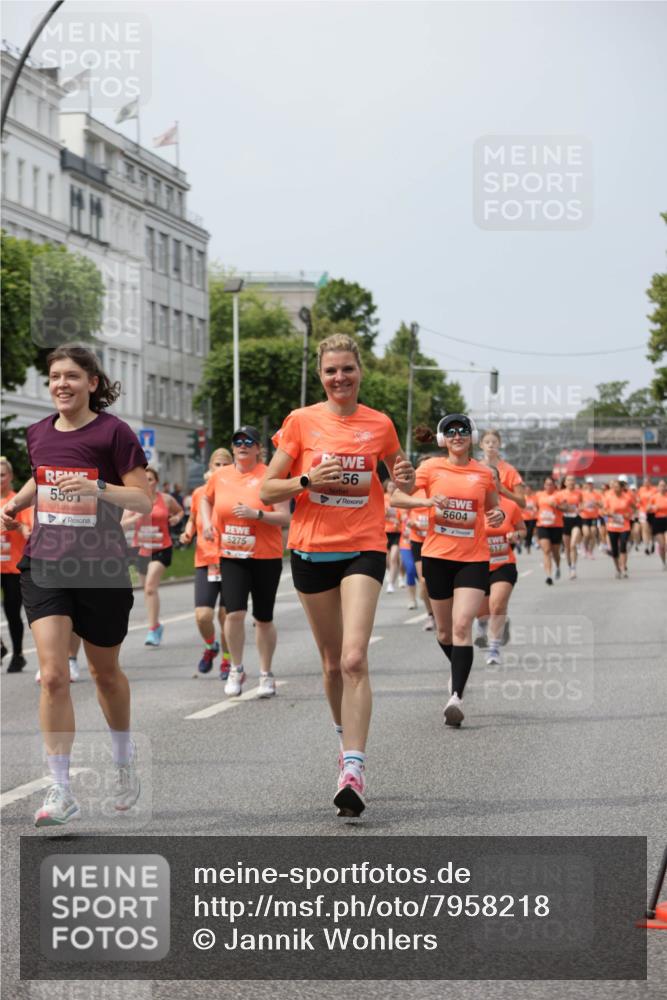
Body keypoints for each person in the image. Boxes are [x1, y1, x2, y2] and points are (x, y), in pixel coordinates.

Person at [260, 333, 416, 817]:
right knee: (329, 664)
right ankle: (343, 738)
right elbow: (267, 489)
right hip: (310, 550)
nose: (339, 377)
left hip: (364, 547)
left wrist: (404, 479)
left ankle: (354, 766)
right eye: (331, 370)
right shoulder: (302, 422)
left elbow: (397, 479)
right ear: (321, 375)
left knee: (353, 659)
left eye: (347, 368)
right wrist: (307, 481)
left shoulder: (380, 424)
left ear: (359, 371)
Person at [0, 344, 151, 827]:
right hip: (46, 564)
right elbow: (41, 478)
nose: (60, 384)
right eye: (53, 377)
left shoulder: (114, 432)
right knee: (53, 674)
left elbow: (143, 500)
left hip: (101, 570)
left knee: (105, 673)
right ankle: (60, 789)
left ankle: (124, 764)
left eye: (70, 376)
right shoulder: (38, 432)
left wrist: (99, 489)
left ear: (91, 382)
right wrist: (13, 503)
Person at [392, 414, 503, 729]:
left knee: (462, 625)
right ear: (443, 439)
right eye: (451, 432)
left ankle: (456, 697)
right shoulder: (429, 468)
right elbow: (397, 497)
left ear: (471, 436)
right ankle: (459, 668)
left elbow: (493, 508)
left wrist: (495, 517)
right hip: (437, 557)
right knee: (443, 632)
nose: (457, 436)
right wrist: (427, 501)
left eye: (463, 431)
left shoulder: (483, 474)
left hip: (473, 558)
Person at [201, 426, 291, 699]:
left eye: (248, 442)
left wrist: (257, 514)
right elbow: (205, 498)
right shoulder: (221, 476)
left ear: (258, 449)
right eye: (237, 441)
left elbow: (285, 518)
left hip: (265, 555)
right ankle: (236, 669)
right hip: (232, 555)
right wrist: (206, 523)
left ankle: (266, 674)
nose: (242, 446)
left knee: (263, 619)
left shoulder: (272, 476)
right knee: (234, 613)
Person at [179, 448, 233, 677]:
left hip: (232, 560)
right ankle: (211, 646)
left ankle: (228, 660)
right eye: (216, 464)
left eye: (225, 464)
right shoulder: (200, 493)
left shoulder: (235, 491)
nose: (220, 469)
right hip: (205, 559)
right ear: (209, 468)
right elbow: (193, 518)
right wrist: (187, 533)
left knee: (226, 617)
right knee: (202, 616)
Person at [121, 467, 183, 647]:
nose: (147, 482)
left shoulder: (166, 499)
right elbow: (121, 525)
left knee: (149, 588)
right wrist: (134, 519)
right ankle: (156, 624)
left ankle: (152, 629)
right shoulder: (135, 502)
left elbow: (179, 511)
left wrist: (176, 519)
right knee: (147, 590)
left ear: (156, 481)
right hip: (141, 550)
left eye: (150, 479)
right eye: (144, 479)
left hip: (162, 548)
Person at [477, 467, 526, 665]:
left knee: (497, 605)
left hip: (503, 563)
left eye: (493, 478)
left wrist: (516, 536)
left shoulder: (510, 506)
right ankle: (482, 624)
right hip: (477, 565)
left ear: (498, 482)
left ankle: (494, 648)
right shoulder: (474, 506)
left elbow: (522, 529)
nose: (490, 482)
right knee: (481, 612)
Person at [1, 456, 33, 673]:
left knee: (12, 613)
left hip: (13, 566)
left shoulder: (18, 501)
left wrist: (18, 526)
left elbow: (29, 531)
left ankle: (18, 654)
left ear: (10, 476)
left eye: (2, 474)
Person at [406, 484, 435, 630]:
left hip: (436, 540)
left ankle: (445, 612)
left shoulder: (438, 489)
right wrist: (410, 523)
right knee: (423, 581)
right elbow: (404, 512)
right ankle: (431, 615)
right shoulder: (413, 491)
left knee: (441, 579)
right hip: (418, 540)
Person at [479, 430, 526, 508]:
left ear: (499, 444)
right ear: (481, 445)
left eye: (494, 442)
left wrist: (504, 490)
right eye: (487, 442)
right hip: (482, 517)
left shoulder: (510, 470)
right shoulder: (475, 469)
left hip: (505, 516)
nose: (491, 445)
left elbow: (522, 503)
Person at [534, 476, 567, 585]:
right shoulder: (539, 495)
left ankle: (557, 566)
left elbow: (566, 508)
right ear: (544, 485)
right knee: (546, 550)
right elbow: (535, 508)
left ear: (554, 485)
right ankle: (548, 575)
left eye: (550, 484)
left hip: (556, 526)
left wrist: (557, 506)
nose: (548, 486)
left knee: (555, 551)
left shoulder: (559, 495)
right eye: (546, 484)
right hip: (542, 526)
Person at [603, 476, 636, 578]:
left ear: (622, 488)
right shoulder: (609, 497)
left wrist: (630, 514)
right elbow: (603, 511)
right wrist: (609, 514)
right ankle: (617, 568)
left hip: (624, 525)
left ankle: (623, 567)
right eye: (614, 487)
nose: (615, 488)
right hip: (612, 526)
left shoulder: (627, 497)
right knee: (614, 550)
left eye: (617, 487)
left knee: (623, 546)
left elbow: (634, 508)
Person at [559, 474, 583, 579]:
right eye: (569, 480)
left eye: (573, 480)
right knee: (567, 547)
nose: (571, 482)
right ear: (565, 483)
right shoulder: (560, 494)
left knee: (573, 545)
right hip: (565, 520)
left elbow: (582, 504)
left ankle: (574, 567)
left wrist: (579, 509)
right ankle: (570, 566)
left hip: (576, 520)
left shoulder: (579, 493)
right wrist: (564, 507)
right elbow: (557, 506)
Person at [383, 479, 401, 593]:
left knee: (394, 557)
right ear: (386, 487)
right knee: (387, 558)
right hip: (385, 531)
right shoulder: (383, 497)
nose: (392, 489)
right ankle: (389, 572)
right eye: (390, 486)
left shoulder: (399, 498)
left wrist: (398, 518)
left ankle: (391, 583)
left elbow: (403, 512)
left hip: (397, 531)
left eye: (394, 487)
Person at [398, 510, 418, 609]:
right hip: (406, 545)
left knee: (423, 577)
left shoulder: (422, 507)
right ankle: (412, 599)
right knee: (410, 569)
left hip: (422, 545)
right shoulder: (401, 509)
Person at [580, 477, 602, 557]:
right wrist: (583, 507)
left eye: (591, 483)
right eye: (588, 483)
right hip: (585, 516)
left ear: (593, 485)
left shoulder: (597, 494)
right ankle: (583, 546)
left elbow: (601, 505)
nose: (590, 485)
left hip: (593, 516)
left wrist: (596, 503)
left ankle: (590, 551)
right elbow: (579, 505)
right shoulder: (582, 494)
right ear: (586, 484)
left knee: (593, 533)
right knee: (586, 534)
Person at [648, 479, 667, 569]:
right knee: (662, 545)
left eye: (664, 485)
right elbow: (647, 509)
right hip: (658, 521)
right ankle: (663, 562)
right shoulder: (654, 497)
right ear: (658, 487)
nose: (662, 487)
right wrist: (653, 507)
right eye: (661, 486)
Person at [522, 485, 537, 553]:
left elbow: (536, 506)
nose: (527, 491)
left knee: (530, 531)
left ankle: (528, 545)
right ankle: (525, 542)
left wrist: (535, 509)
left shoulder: (534, 497)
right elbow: (520, 507)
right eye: (526, 490)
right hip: (524, 517)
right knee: (525, 532)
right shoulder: (522, 498)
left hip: (532, 517)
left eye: (529, 490)